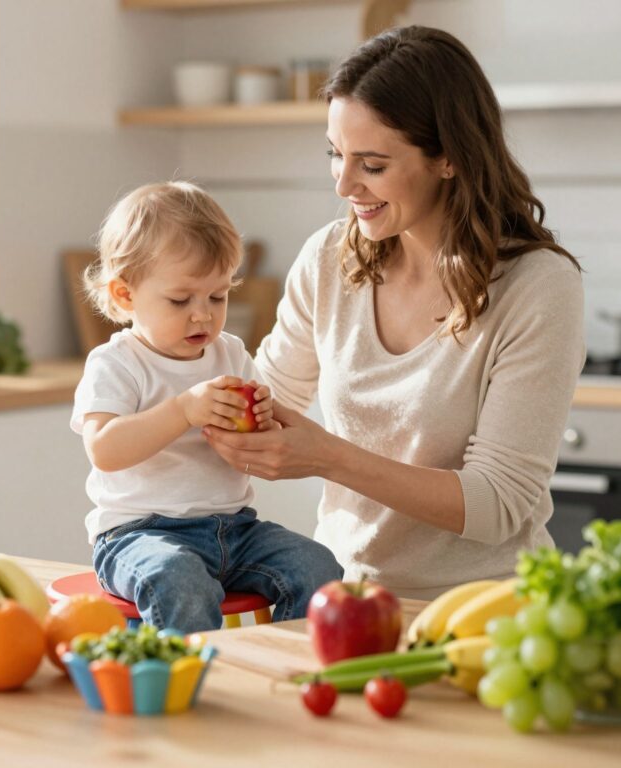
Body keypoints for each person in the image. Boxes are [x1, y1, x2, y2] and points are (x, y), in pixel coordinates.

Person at [203, 26, 585, 600]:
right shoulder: (330, 259)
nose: (344, 183)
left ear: (449, 158)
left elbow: (497, 504)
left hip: (486, 611)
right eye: (336, 154)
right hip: (340, 598)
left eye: (373, 165)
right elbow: (264, 396)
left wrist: (328, 457)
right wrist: (153, 390)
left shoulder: (537, 286)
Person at [71, 181, 344, 633]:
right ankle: (196, 684)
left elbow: (256, 445)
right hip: (138, 535)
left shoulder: (231, 353)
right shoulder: (117, 363)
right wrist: (183, 410)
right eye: (181, 300)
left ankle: (281, 670)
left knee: (317, 565)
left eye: (218, 296)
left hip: (234, 530)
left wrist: (259, 418)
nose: (203, 314)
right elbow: (104, 449)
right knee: (178, 578)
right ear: (125, 296)